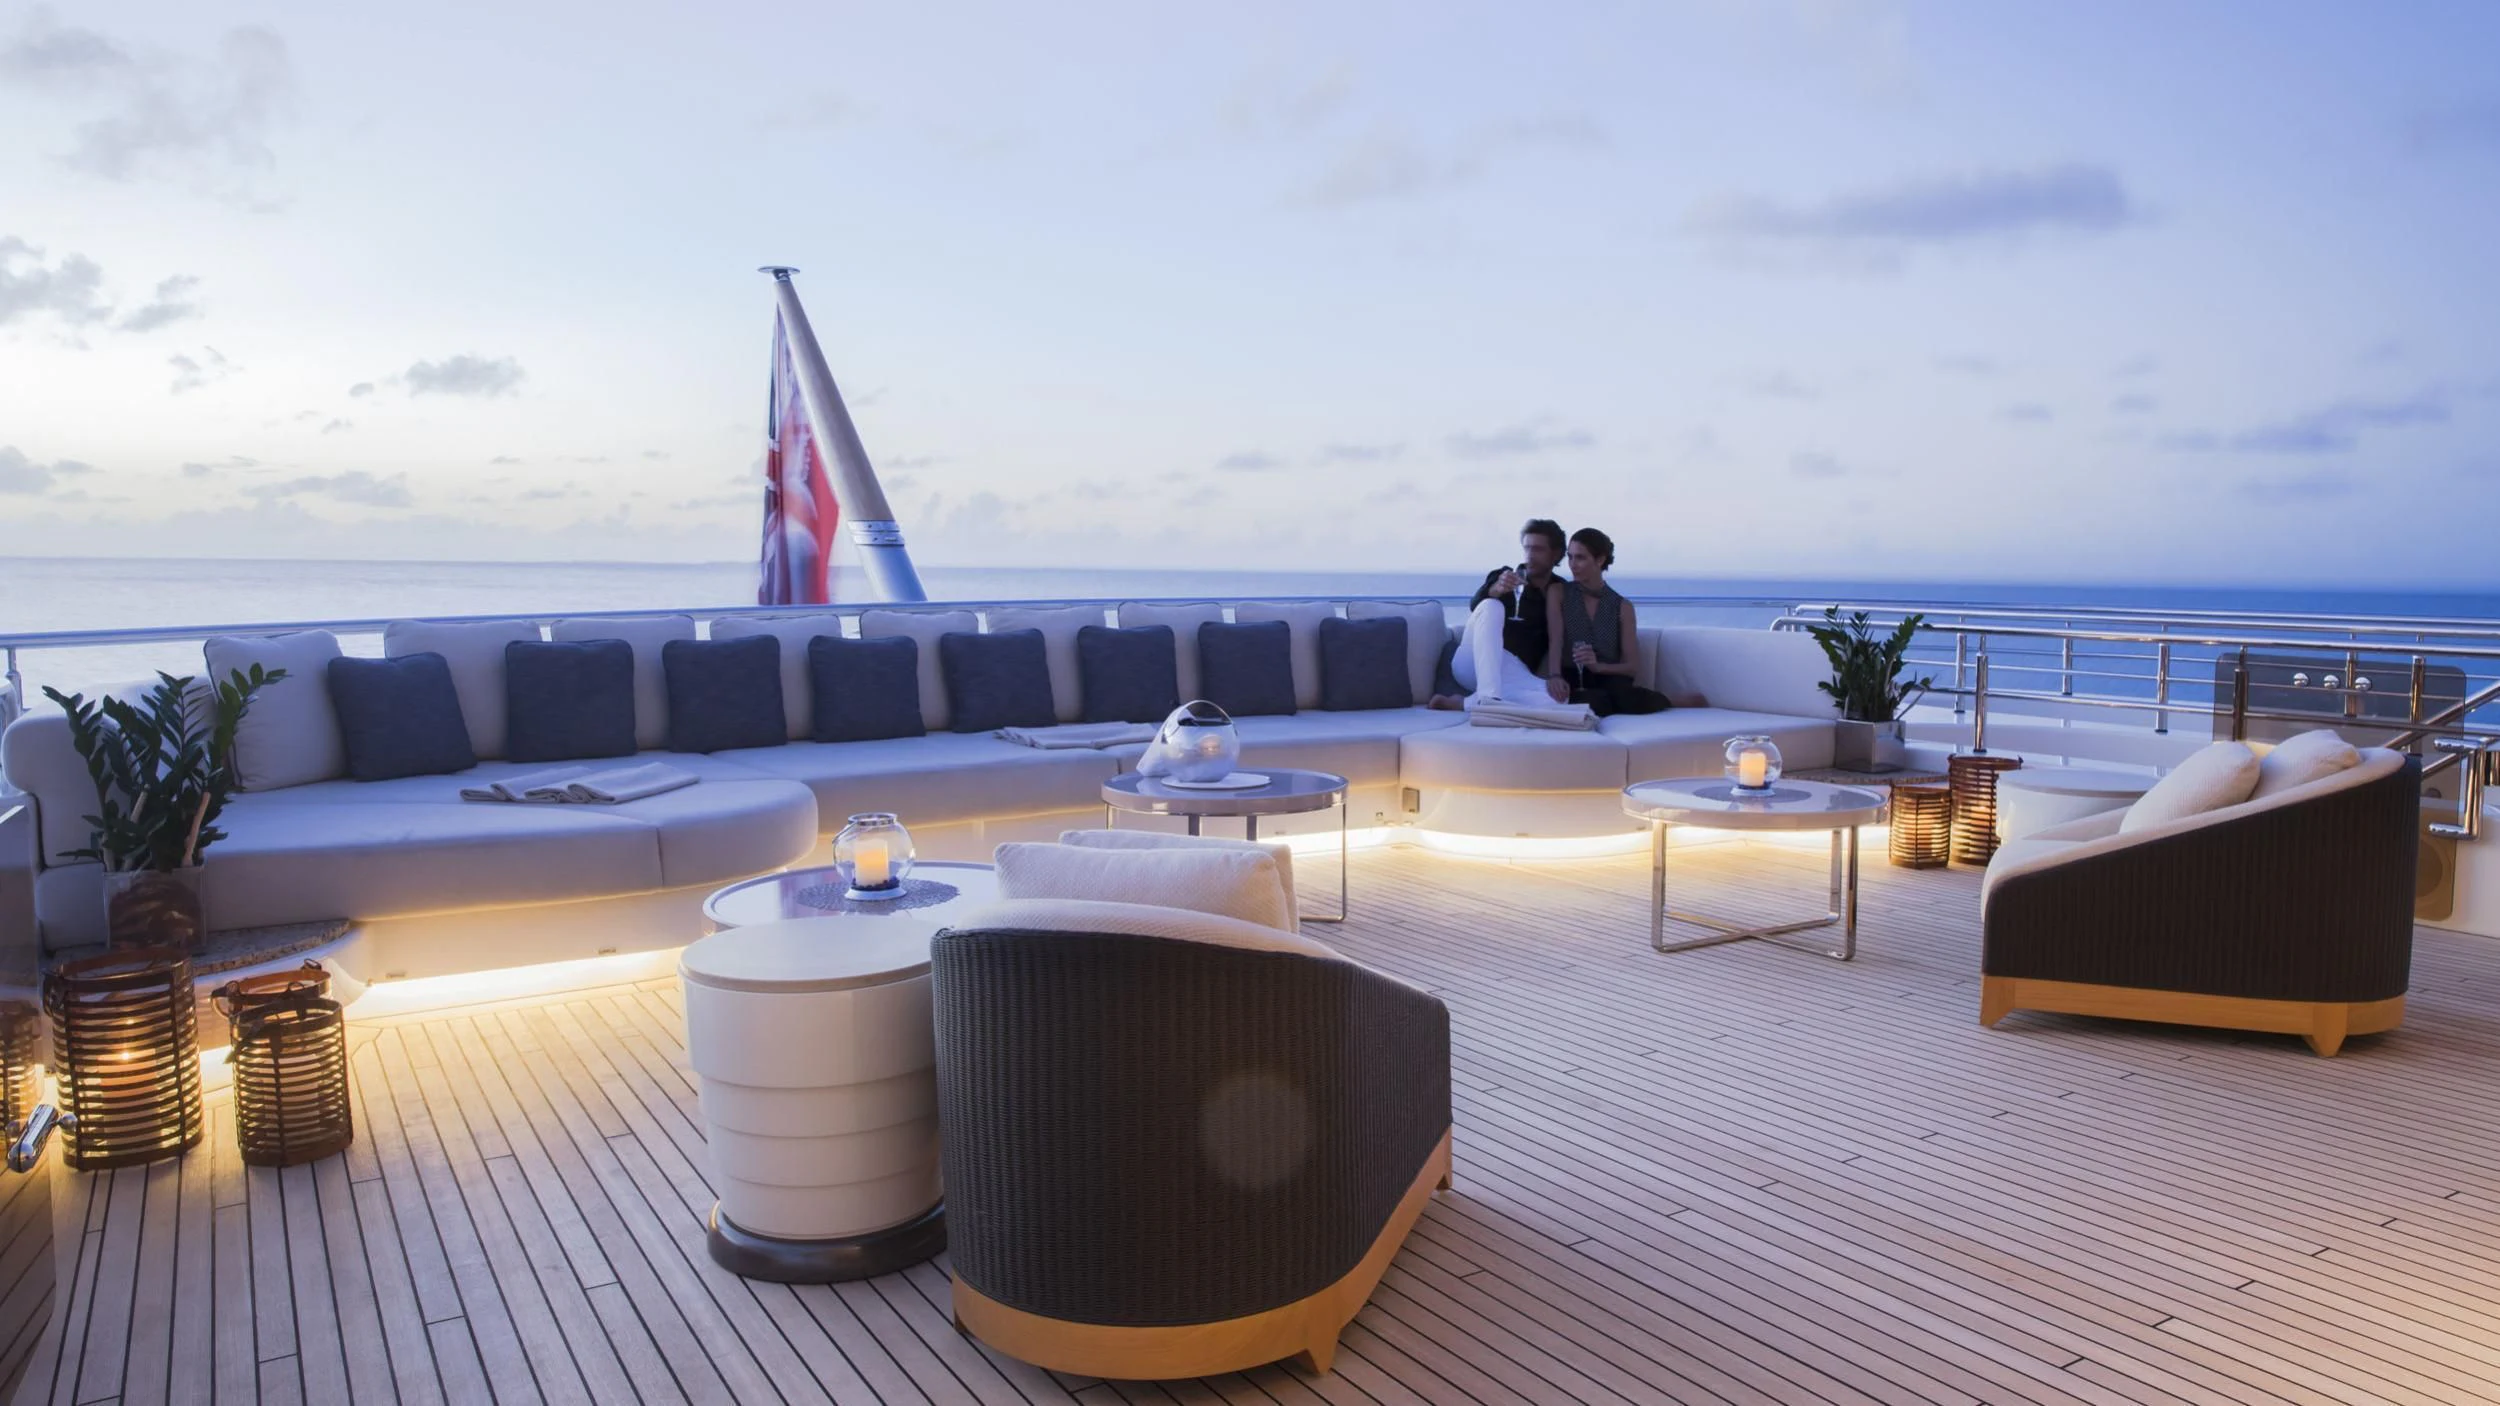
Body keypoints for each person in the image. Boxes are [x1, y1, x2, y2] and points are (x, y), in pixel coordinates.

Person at [1432, 518, 1571, 708]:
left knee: (1558, 702)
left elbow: (1560, 639)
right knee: (1491, 606)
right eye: (1527, 548)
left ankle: (1465, 703)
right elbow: (1476, 607)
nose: (1530, 555)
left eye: (1538, 549)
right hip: (1473, 661)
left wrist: (1553, 675)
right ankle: (1489, 698)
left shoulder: (1561, 591)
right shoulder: (1505, 576)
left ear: (1556, 554)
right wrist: (1496, 590)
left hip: (1512, 672)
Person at [1545, 527, 1671, 716]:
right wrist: (1554, 675)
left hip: (1609, 678)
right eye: (1570, 557)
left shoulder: (1622, 606)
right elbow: (1555, 640)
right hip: (1571, 674)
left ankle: (1669, 700)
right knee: (1596, 701)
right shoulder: (1559, 593)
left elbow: (1631, 667)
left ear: (1600, 559)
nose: (1572, 564)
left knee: (1620, 696)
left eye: (1580, 557)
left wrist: (1598, 666)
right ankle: (1660, 700)